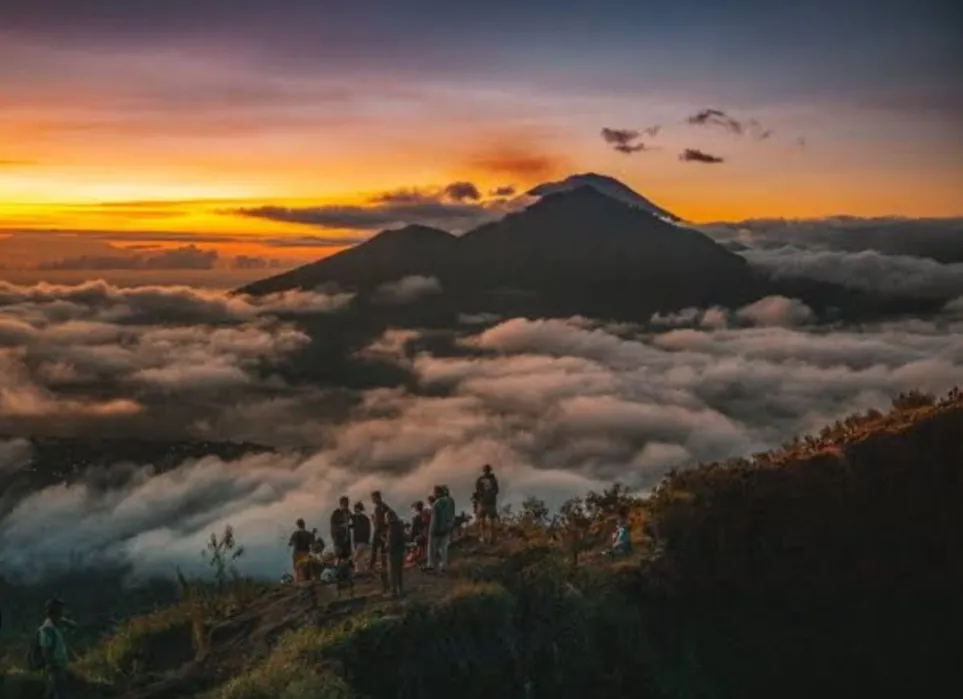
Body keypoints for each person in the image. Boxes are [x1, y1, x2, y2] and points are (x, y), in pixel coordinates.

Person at [38, 598, 75, 699]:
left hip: (60, 667)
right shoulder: (47, 629)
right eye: (60, 610)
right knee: (59, 694)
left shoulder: (56, 624)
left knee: (53, 694)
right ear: (54, 612)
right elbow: (46, 651)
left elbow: (71, 624)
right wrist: (53, 667)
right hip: (55, 669)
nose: (62, 612)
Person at [427, 485, 456, 573]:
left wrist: (432, 530)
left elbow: (434, 519)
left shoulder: (436, 504)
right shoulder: (450, 501)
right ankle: (443, 566)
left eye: (434, 492)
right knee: (444, 549)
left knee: (432, 549)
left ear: (438, 493)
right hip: (447, 528)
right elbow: (452, 515)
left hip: (436, 530)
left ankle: (432, 565)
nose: (434, 494)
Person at [474, 464, 500, 545]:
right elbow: (478, 490)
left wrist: (489, 495)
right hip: (484, 502)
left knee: (490, 521)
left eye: (487, 470)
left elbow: (496, 490)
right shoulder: (481, 480)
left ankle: (492, 538)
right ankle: (484, 537)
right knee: (483, 521)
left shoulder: (492, 479)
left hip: (489, 502)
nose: (486, 472)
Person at [369, 490, 393, 571]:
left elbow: (378, 521)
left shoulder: (378, 508)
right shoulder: (385, 506)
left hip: (379, 530)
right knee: (383, 548)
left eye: (372, 498)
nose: (372, 500)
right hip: (385, 530)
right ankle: (384, 565)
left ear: (376, 497)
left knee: (374, 548)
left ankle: (372, 566)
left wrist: (373, 519)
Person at [385, 509, 407, 598]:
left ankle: (393, 592)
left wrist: (386, 545)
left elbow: (390, 542)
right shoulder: (400, 526)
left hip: (393, 553)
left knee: (392, 573)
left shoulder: (392, 527)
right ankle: (400, 591)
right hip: (400, 552)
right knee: (399, 573)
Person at [330, 496, 353, 563]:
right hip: (339, 540)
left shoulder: (348, 513)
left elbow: (351, 523)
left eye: (347, 504)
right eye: (345, 504)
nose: (346, 506)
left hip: (346, 541)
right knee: (338, 557)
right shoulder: (336, 514)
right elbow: (334, 527)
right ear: (341, 504)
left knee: (347, 558)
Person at [350, 502, 371, 572]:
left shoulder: (364, 519)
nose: (355, 511)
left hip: (362, 541)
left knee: (356, 557)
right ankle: (362, 571)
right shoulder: (356, 518)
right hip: (357, 541)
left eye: (357, 509)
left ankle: (361, 571)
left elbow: (367, 530)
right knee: (360, 558)